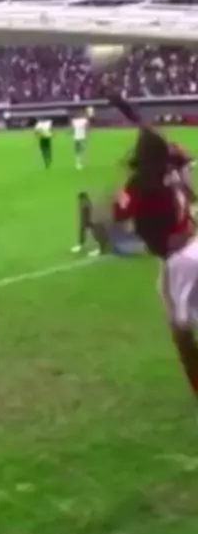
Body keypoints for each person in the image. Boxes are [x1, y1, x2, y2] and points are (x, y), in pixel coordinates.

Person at [109, 128, 198, 401]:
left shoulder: (140, 183)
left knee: (180, 328)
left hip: (178, 260)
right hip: (193, 245)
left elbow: (118, 213)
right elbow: (191, 192)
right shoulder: (174, 172)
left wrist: (120, 191)